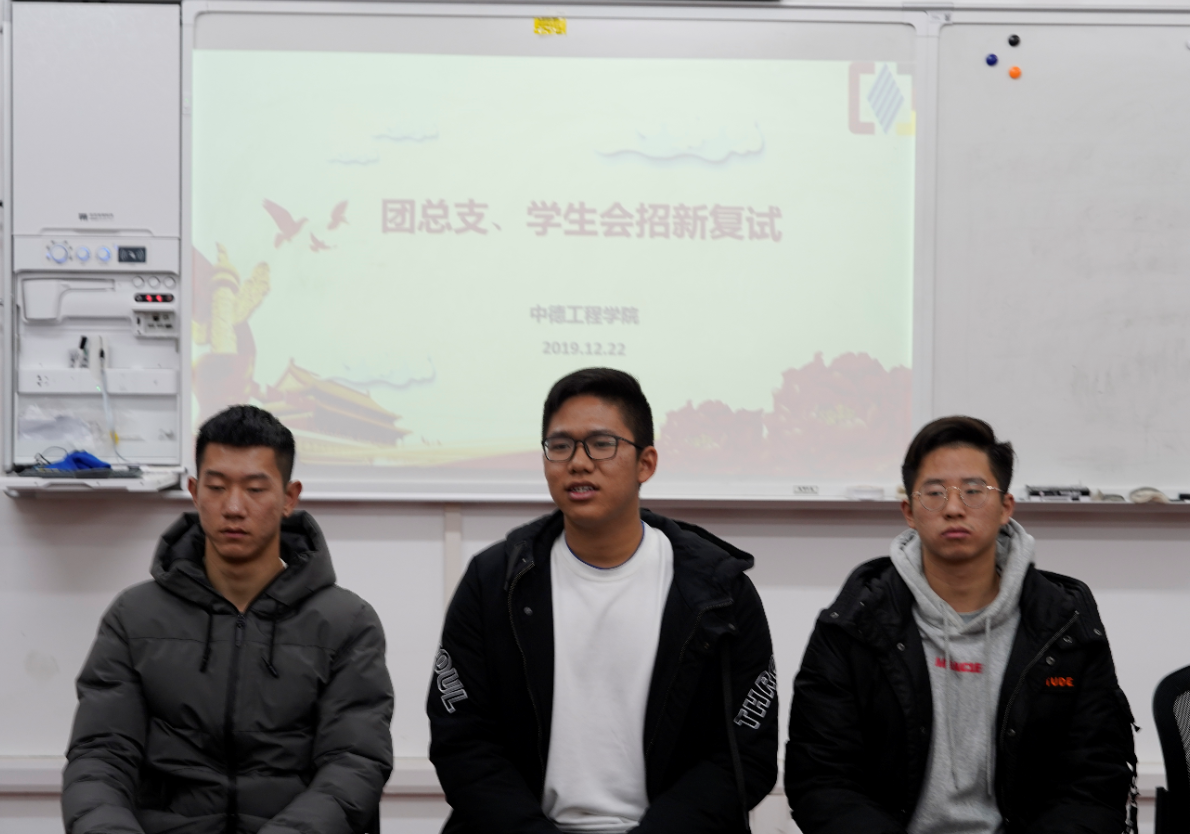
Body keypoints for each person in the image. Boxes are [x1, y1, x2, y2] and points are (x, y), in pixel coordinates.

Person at [428, 368, 778, 834]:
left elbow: (743, 754)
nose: (578, 463)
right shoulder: (495, 582)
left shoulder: (718, 591)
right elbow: (463, 742)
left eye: (601, 444)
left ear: (645, 463)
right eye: (560, 446)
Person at [785, 416, 1136, 834]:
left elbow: (1094, 784)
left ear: (1006, 508)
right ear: (909, 512)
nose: (953, 508)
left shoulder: (1065, 626)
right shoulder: (853, 625)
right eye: (934, 493)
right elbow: (822, 780)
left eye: (973, 491)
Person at [63, 405, 394, 834]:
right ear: (194, 491)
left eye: (255, 489)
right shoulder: (134, 617)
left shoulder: (346, 623)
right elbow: (100, 756)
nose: (234, 507)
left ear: (289, 497)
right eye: (217, 488)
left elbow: (353, 762)